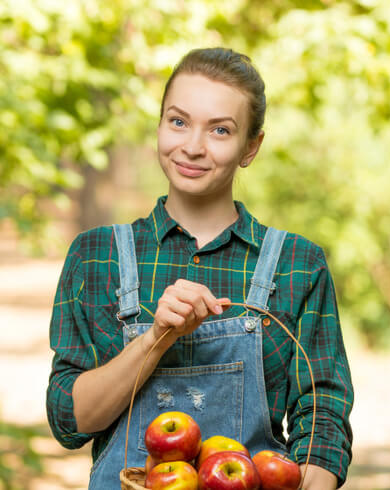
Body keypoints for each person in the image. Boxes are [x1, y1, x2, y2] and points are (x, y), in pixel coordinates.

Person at [46, 47, 353, 489]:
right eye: (178, 121)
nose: (192, 145)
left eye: (220, 130)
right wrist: (155, 339)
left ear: (251, 147)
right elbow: (69, 421)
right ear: (159, 125)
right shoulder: (97, 256)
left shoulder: (297, 265)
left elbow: (323, 419)